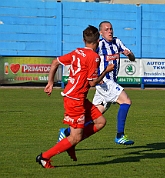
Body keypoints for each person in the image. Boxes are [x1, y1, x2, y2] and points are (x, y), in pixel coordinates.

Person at [36, 25, 114, 168]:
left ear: (83, 40)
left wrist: (50, 83)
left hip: (79, 97)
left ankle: (71, 144)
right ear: (97, 41)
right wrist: (106, 71)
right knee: (75, 136)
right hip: (75, 99)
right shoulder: (94, 57)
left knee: (100, 121)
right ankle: (44, 157)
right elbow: (92, 83)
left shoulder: (77, 52)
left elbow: (55, 62)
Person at [58, 21, 136, 145]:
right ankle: (120, 135)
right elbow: (88, 55)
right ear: (100, 33)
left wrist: (130, 54)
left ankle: (66, 132)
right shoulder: (98, 44)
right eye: (106, 29)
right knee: (126, 101)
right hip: (104, 82)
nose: (110, 31)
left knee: (95, 114)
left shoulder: (117, 42)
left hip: (109, 83)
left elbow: (133, 58)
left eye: (111, 29)